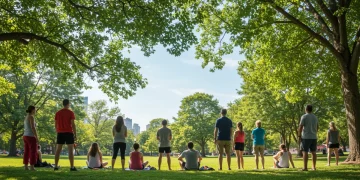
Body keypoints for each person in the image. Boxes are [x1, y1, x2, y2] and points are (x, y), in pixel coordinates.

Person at [54, 99, 77, 171]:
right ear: (68, 104)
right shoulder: (70, 112)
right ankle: (72, 167)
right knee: (70, 150)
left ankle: (56, 166)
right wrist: (75, 134)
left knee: (58, 150)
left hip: (60, 133)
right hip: (69, 133)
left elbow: (55, 124)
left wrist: (58, 131)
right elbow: (73, 124)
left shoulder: (58, 113)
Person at [298, 104, 319, 171]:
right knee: (313, 152)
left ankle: (305, 167)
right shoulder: (315, 117)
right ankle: (314, 167)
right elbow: (317, 127)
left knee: (305, 152)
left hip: (306, 137)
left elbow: (301, 126)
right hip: (314, 137)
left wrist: (299, 135)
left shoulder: (304, 116)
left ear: (306, 109)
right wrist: (315, 132)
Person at [23, 105, 39, 171]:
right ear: (32, 110)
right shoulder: (31, 117)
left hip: (25, 136)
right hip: (30, 136)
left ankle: (26, 166)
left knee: (26, 151)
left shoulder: (26, 117)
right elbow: (33, 127)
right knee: (33, 151)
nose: (35, 111)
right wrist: (36, 136)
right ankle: (32, 166)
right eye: (35, 110)